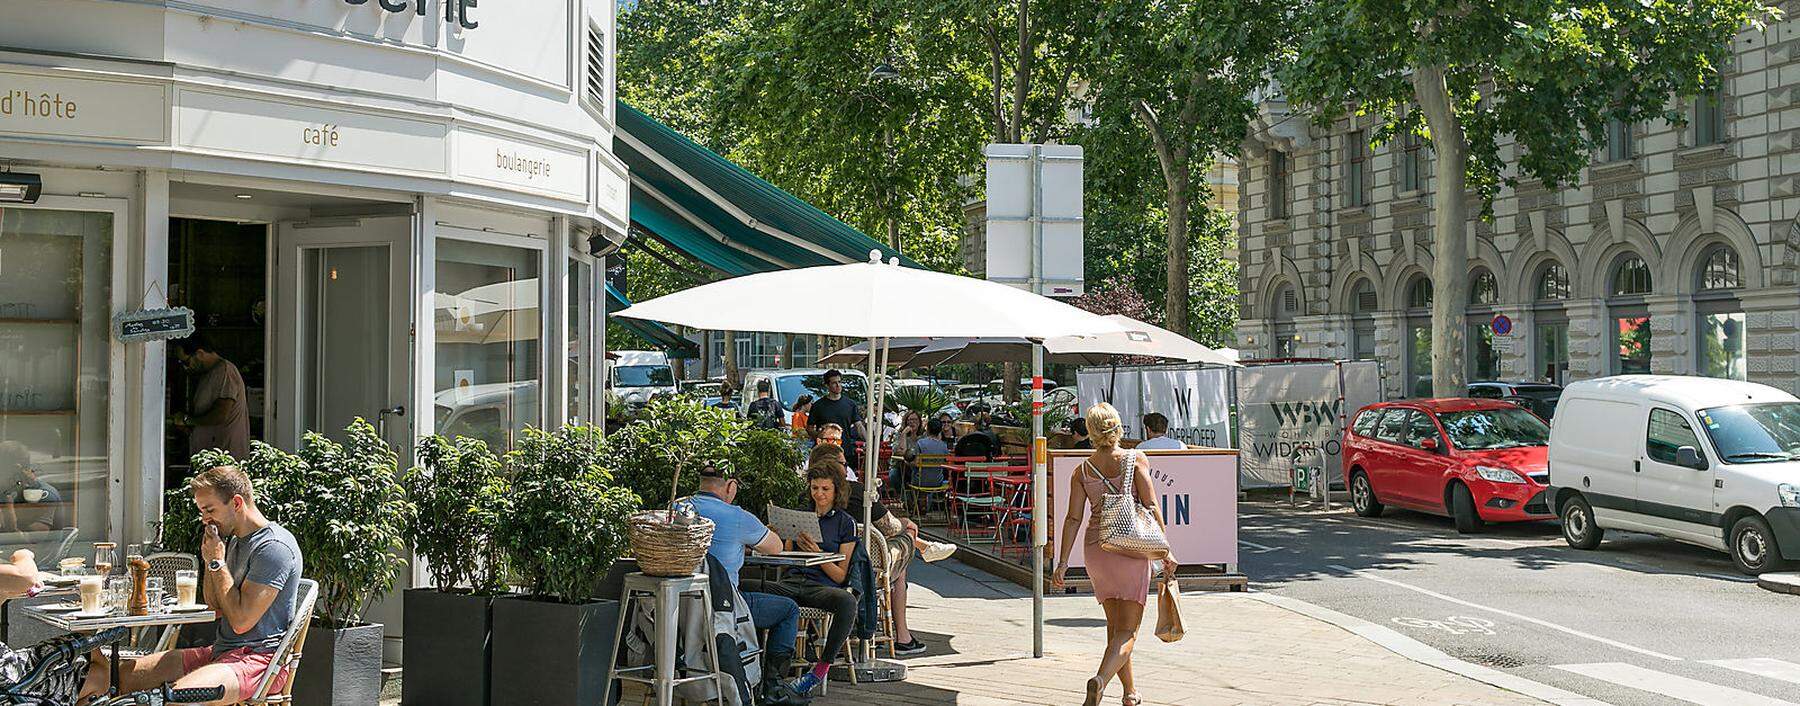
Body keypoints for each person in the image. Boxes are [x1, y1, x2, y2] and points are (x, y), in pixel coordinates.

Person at [85, 465, 304, 705]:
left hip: (258, 661)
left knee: (174, 698)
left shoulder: (273, 547)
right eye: (202, 511)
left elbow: (241, 622)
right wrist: (211, 560)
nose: (204, 519)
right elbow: (215, 605)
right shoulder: (232, 539)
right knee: (110, 677)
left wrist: (217, 563)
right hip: (220, 652)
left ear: (237, 503)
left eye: (209, 510)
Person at [1052, 403, 1178, 706]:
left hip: (1097, 550)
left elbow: (1072, 519)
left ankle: (1129, 693)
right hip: (1131, 549)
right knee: (1129, 631)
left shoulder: (1082, 470)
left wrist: (1063, 562)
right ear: (1118, 426)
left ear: (1091, 432)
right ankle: (1100, 680)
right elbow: (1151, 506)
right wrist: (1166, 551)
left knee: (1115, 628)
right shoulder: (1136, 459)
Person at [679, 464, 813, 705]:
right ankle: (772, 689)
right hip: (723, 610)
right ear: (731, 486)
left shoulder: (677, 508)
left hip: (680, 609)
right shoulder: (738, 517)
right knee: (788, 609)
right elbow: (776, 547)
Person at [740, 466, 860, 697]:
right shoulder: (801, 516)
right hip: (791, 582)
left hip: (821, 588)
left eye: (825, 489)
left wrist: (818, 555)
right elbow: (785, 561)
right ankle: (752, 663)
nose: (819, 494)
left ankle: (819, 670)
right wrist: (775, 536)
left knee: (847, 602)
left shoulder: (845, 523)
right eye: (815, 488)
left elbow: (840, 575)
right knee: (742, 585)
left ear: (837, 491)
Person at [174, 335, 252, 460]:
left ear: (199, 353)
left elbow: (221, 414)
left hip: (224, 458)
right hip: (211, 458)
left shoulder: (225, 371)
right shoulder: (209, 373)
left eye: (186, 362)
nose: (185, 367)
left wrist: (187, 420)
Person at [807, 370, 863, 468]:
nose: (838, 385)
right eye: (834, 383)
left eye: (839, 382)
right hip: (824, 452)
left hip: (845, 450)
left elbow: (859, 426)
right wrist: (821, 436)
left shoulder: (850, 404)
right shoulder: (818, 406)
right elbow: (809, 428)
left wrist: (870, 442)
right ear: (827, 386)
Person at [5, 461, 64, 532]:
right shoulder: (15, 490)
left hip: (43, 542)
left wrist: (9, 508)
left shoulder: (44, 494)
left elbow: (35, 537)